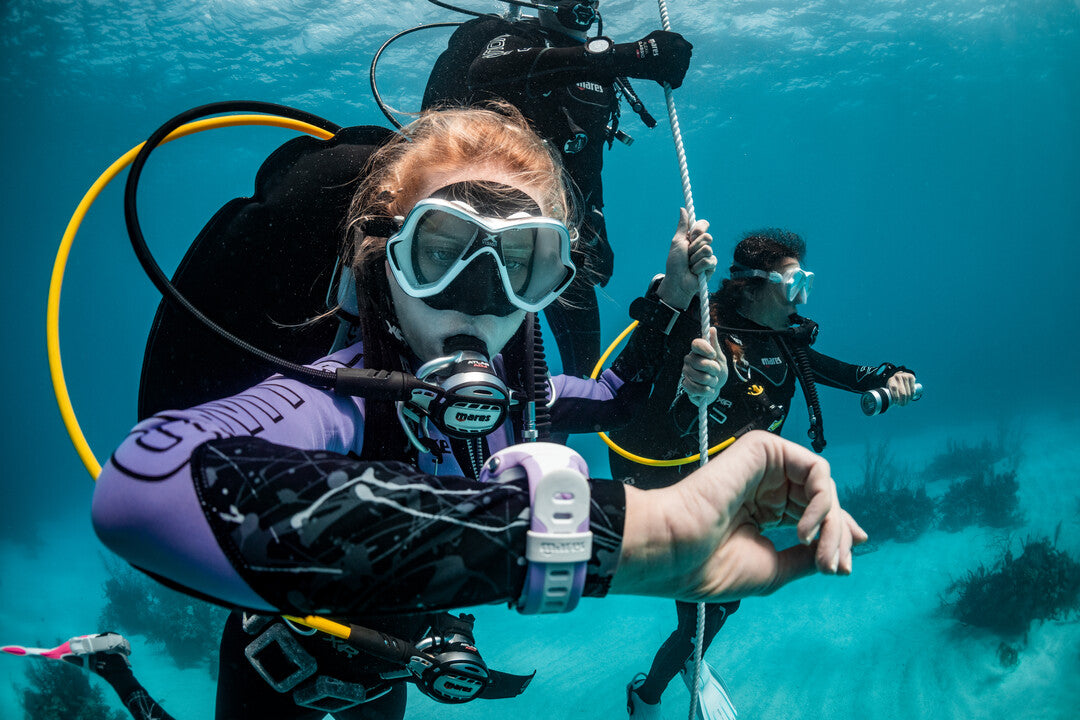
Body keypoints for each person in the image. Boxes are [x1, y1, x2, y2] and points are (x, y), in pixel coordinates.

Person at [91, 108, 866, 716]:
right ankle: (116, 670)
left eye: (522, 262)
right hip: (278, 663)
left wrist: (668, 304)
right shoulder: (336, 393)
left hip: (391, 666)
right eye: (443, 250)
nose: (481, 293)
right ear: (383, 258)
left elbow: (620, 403)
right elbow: (138, 488)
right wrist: (607, 538)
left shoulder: (520, 399)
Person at [609, 228, 917, 718]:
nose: (804, 297)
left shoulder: (785, 345)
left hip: (715, 486)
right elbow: (668, 429)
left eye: (807, 284)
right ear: (754, 285)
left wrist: (893, 374)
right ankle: (647, 696)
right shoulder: (704, 332)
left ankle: (682, 665)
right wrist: (698, 392)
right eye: (795, 284)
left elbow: (848, 372)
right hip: (658, 483)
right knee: (708, 604)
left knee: (719, 605)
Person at [423, 0, 694, 376]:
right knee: (497, 365)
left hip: (562, 236)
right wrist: (624, 55)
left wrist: (596, 219)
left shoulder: (601, 69)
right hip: (490, 233)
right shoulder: (513, 37)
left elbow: (587, 156)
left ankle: (553, 433)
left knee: (584, 371)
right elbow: (487, 71)